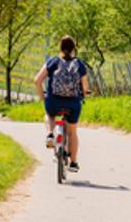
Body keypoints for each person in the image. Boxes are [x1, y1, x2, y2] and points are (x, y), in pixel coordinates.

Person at [34, 35, 90, 173]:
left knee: (49, 115)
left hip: (54, 100)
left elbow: (37, 80)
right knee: (72, 132)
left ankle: (50, 135)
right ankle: (74, 163)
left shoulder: (53, 62)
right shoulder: (79, 64)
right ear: (73, 49)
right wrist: (85, 93)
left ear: (60, 47)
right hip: (73, 103)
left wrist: (43, 97)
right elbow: (84, 87)